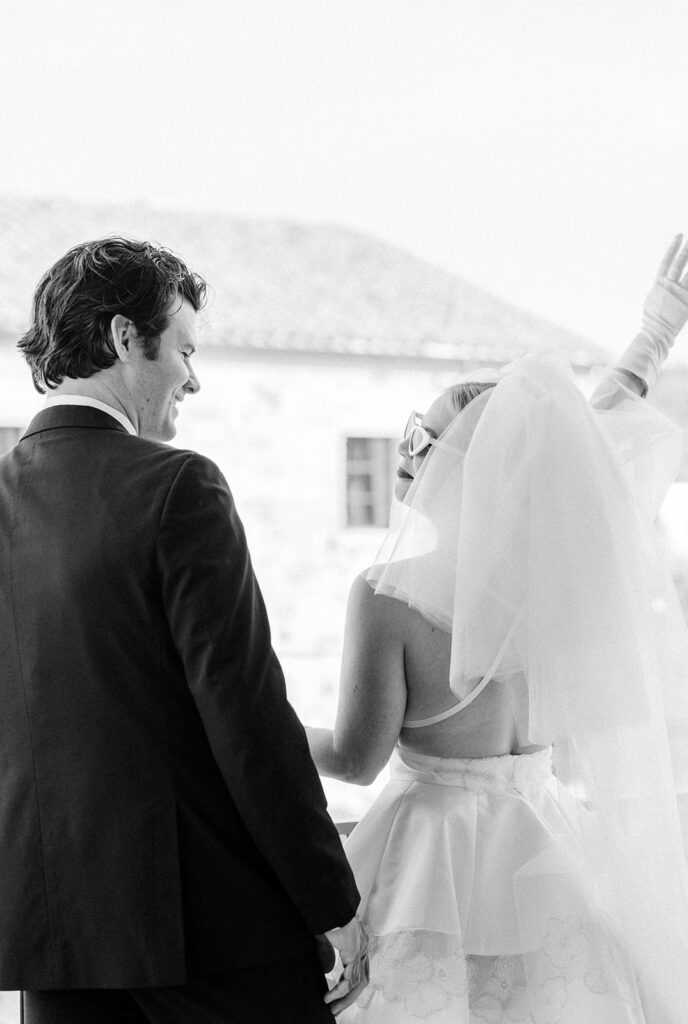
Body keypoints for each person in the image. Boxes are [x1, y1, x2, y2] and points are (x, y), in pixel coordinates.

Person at [307, 237, 688, 1023]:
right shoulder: (559, 585)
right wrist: (651, 339)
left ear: (468, 471)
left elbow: (355, 757)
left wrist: (247, 715)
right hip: (547, 844)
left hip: (433, 864)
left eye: (428, 437)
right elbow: (586, 443)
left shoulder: (387, 598)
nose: (410, 447)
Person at [0, 237, 368, 1023]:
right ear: (127, 338)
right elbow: (246, 714)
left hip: (55, 938)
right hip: (209, 934)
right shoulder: (179, 486)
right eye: (185, 349)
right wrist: (329, 900)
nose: (193, 379)